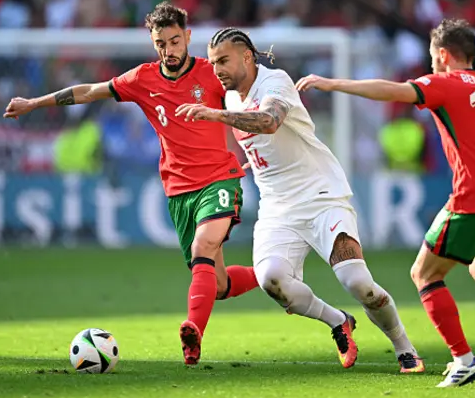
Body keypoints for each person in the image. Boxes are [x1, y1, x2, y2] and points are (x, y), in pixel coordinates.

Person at [295, 18, 475, 388]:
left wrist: (333, 83)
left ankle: (464, 360)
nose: (431, 65)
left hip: (473, 196)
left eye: (433, 58)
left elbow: (394, 91)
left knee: (424, 274)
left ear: (444, 55)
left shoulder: (445, 82)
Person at [3, 2, 259, 366]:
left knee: (204, 244)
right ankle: (271, 275)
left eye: (174, 41)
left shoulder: (211, 73)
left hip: (220, 178)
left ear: (187, 37)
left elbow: (249, 99)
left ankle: (193, 334)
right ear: (152, 42)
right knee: (216, 284)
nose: (168, 51)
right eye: (160, 44)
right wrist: (33, 103)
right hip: (179, 190)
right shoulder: (142, 79)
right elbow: (90, 90)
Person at [176, 28, 424, 373]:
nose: (217, 69)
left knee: (358, 282)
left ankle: (404, 348)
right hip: (277, 208)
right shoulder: (231, 97)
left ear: (247, 57)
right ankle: (339, 322)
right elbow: (260, 142)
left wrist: (216, 115)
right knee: (271, 280)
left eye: (224, 60)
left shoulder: (275, 81)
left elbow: (270, 121)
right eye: (214, 61)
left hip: (321, 196)